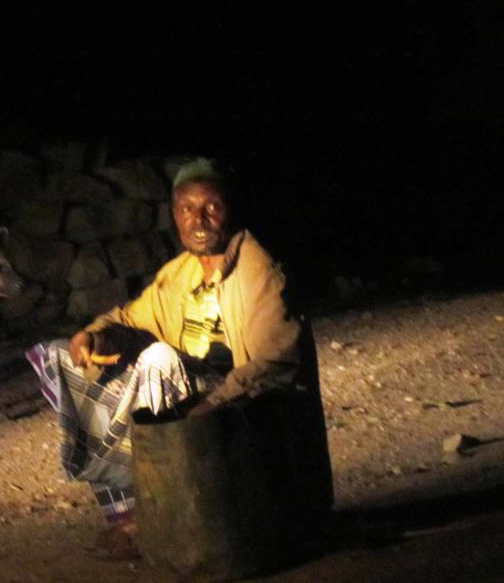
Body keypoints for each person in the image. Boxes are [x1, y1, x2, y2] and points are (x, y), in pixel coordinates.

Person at [26, 157, 333, 560]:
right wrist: (94, 335)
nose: (199, 219)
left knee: (157, 360)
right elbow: (130, 319)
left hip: (247, 413)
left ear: (231, 209)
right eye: (187, 209)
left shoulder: (260, 271)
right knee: (61, 357)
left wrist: (213, 403)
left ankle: (155, 513)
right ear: (174, 214)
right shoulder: (180, 273)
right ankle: (130, 508)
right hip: (189, 396)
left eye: (211, 207)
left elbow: (275, 365)